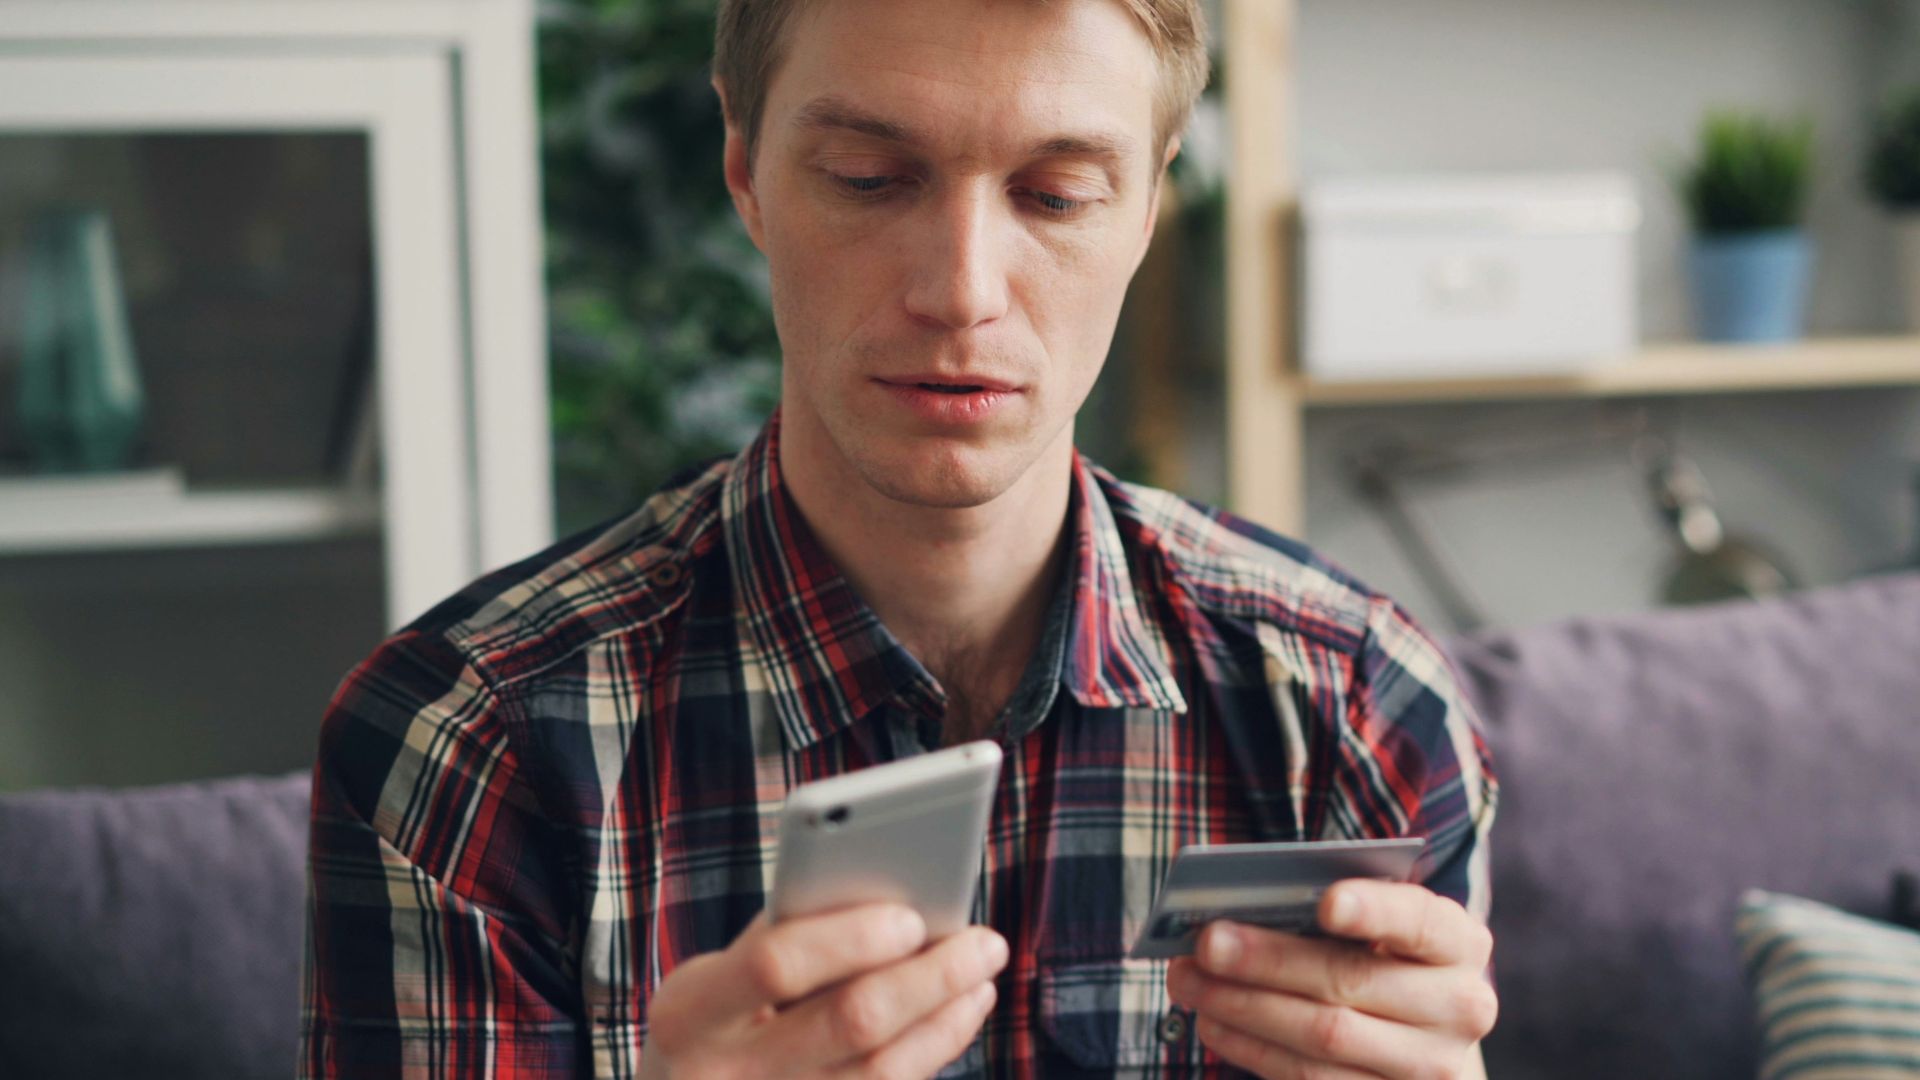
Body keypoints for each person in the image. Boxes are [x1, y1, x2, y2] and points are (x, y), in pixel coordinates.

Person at [298, 0, 1500, 1076]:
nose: (961, 290)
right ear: (747, 172)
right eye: (871, 177)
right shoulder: (471, 745)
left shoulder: (1356, 708)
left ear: (1147, 207)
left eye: (1057, 194)